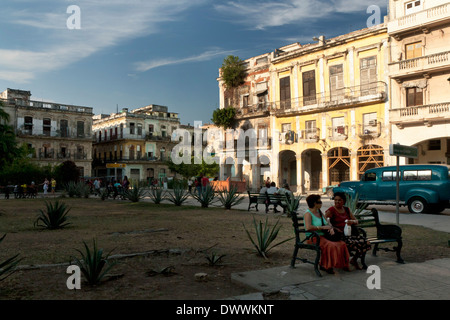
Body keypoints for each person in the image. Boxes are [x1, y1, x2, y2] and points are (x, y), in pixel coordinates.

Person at [304, 194, 350, 274]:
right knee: (330, 245)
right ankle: (325, 266)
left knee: (341, 243)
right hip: (314, 237)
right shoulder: (308, 214)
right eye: (319, 202)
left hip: (324, 236)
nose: (321, 203)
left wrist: (331, 228)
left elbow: (327, 223)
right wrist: (321, 228)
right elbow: (308, 227)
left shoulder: (319, 212)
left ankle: (342, 264)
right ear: (315, 203)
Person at [325, 192, 371, 270]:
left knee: (366, 242)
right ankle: (345, 263)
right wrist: (333, 228)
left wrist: (351, 222)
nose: (337, 202)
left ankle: (354, 259)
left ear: (343, 201)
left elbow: (356, 221)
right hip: (339, 235)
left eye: (339, 200)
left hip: (350, 233)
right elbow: (325, 221)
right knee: (351, 243)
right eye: (335, 200)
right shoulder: (331, 210)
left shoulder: (346, 209)